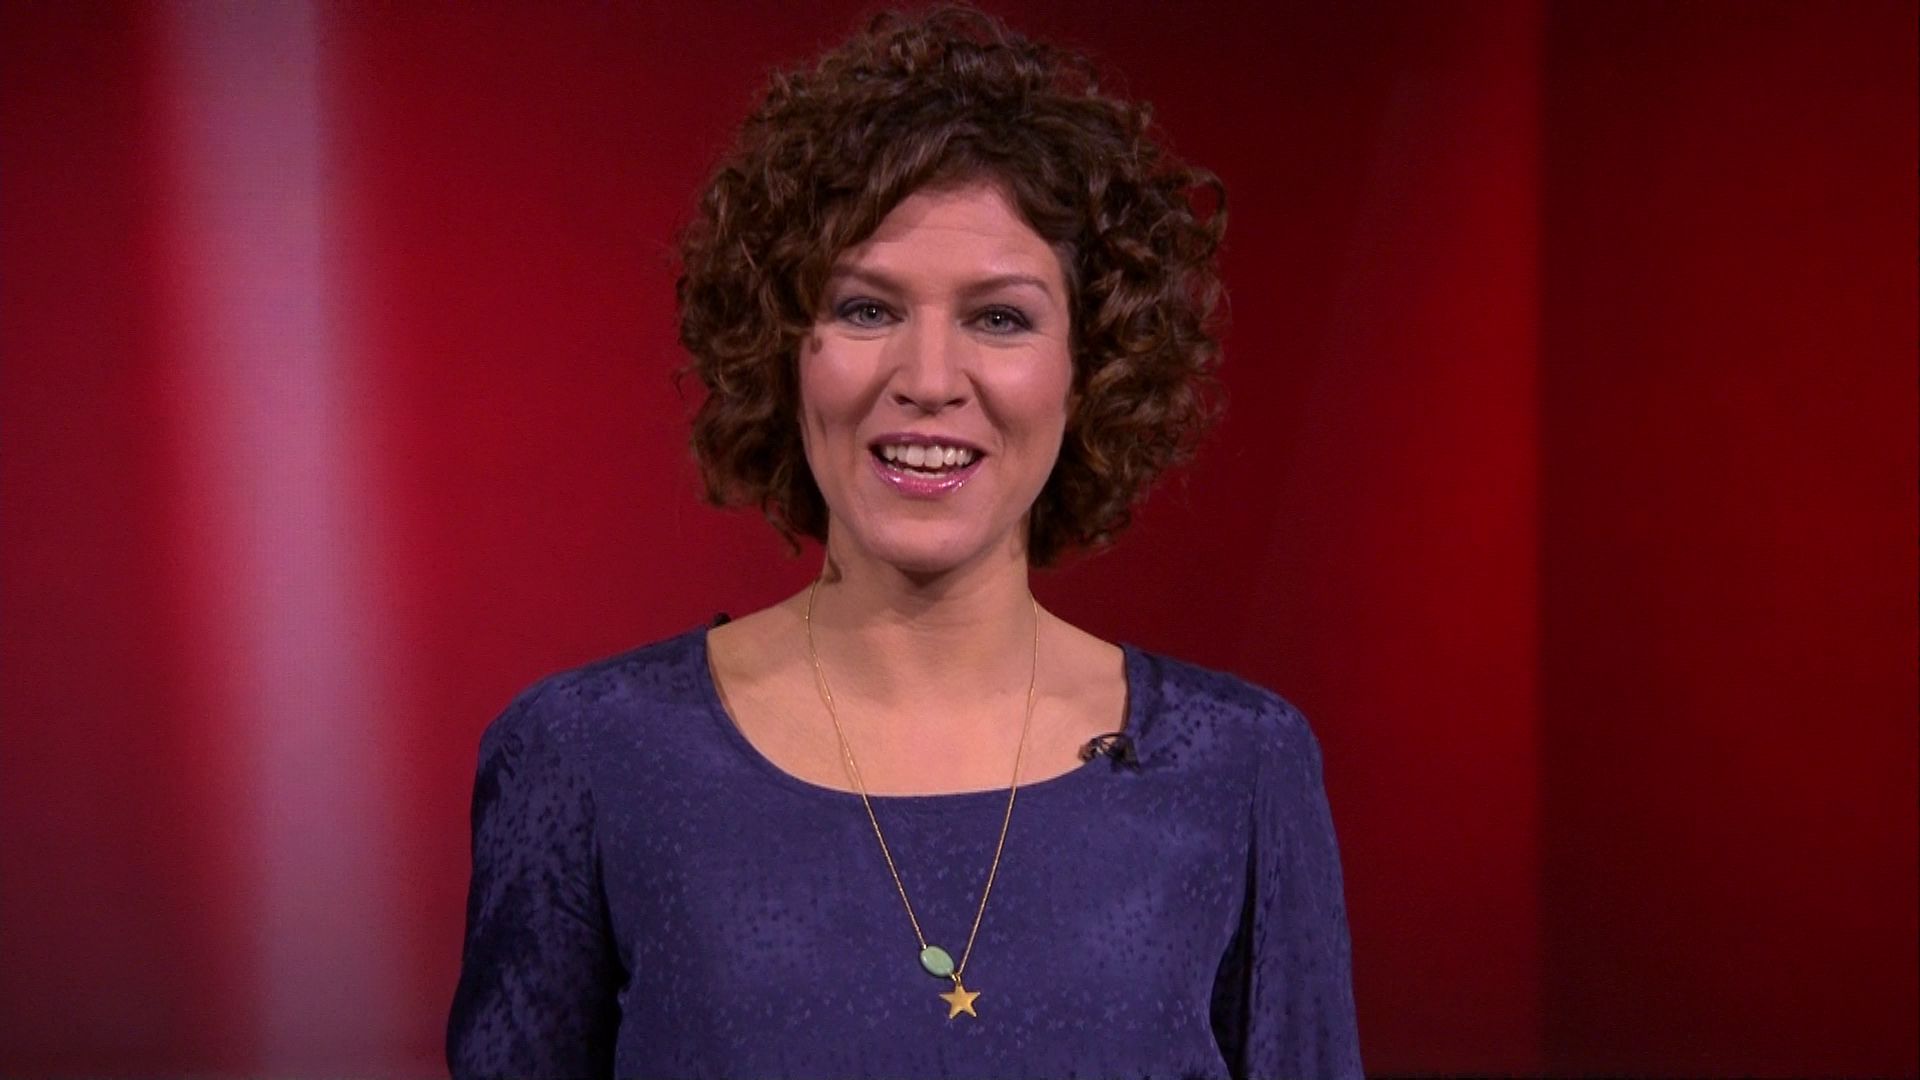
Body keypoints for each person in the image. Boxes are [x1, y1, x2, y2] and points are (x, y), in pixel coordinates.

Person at [446, 8, 1361, 1078]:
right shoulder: (588, 757)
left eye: (1000, 318)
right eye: (867, 309)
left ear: (1092, 366)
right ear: (783, 350)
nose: (929, 379)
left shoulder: (1240, 768)